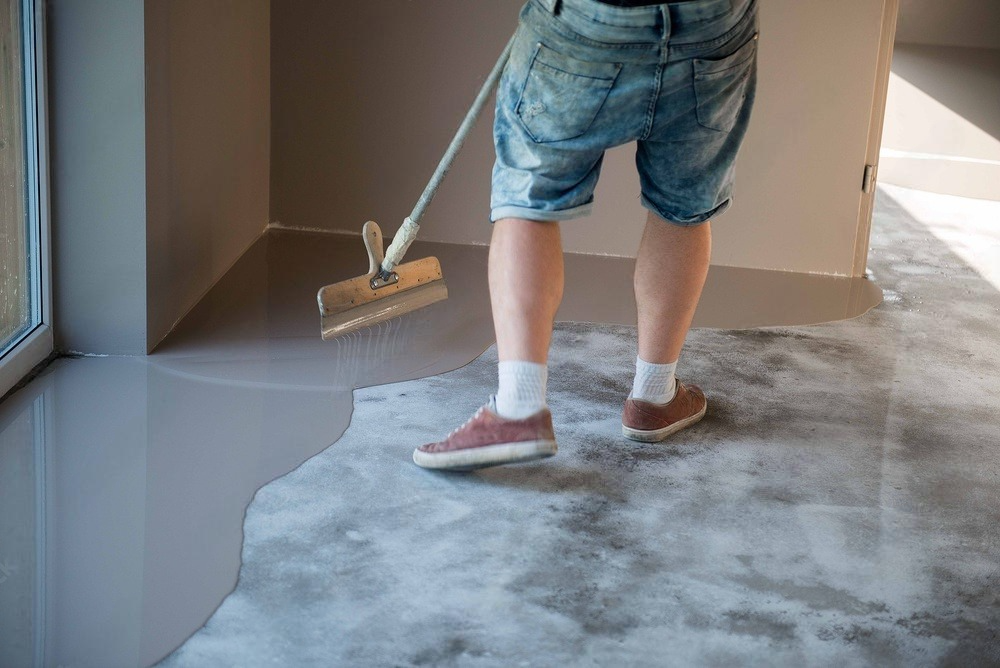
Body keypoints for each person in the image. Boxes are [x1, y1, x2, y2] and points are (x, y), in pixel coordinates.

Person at [413, 0, 759, 470]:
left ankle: (518, 407)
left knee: (530, 197)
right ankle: (655, 396)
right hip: (710, 24)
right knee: (685, 205)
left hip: (588, 21)